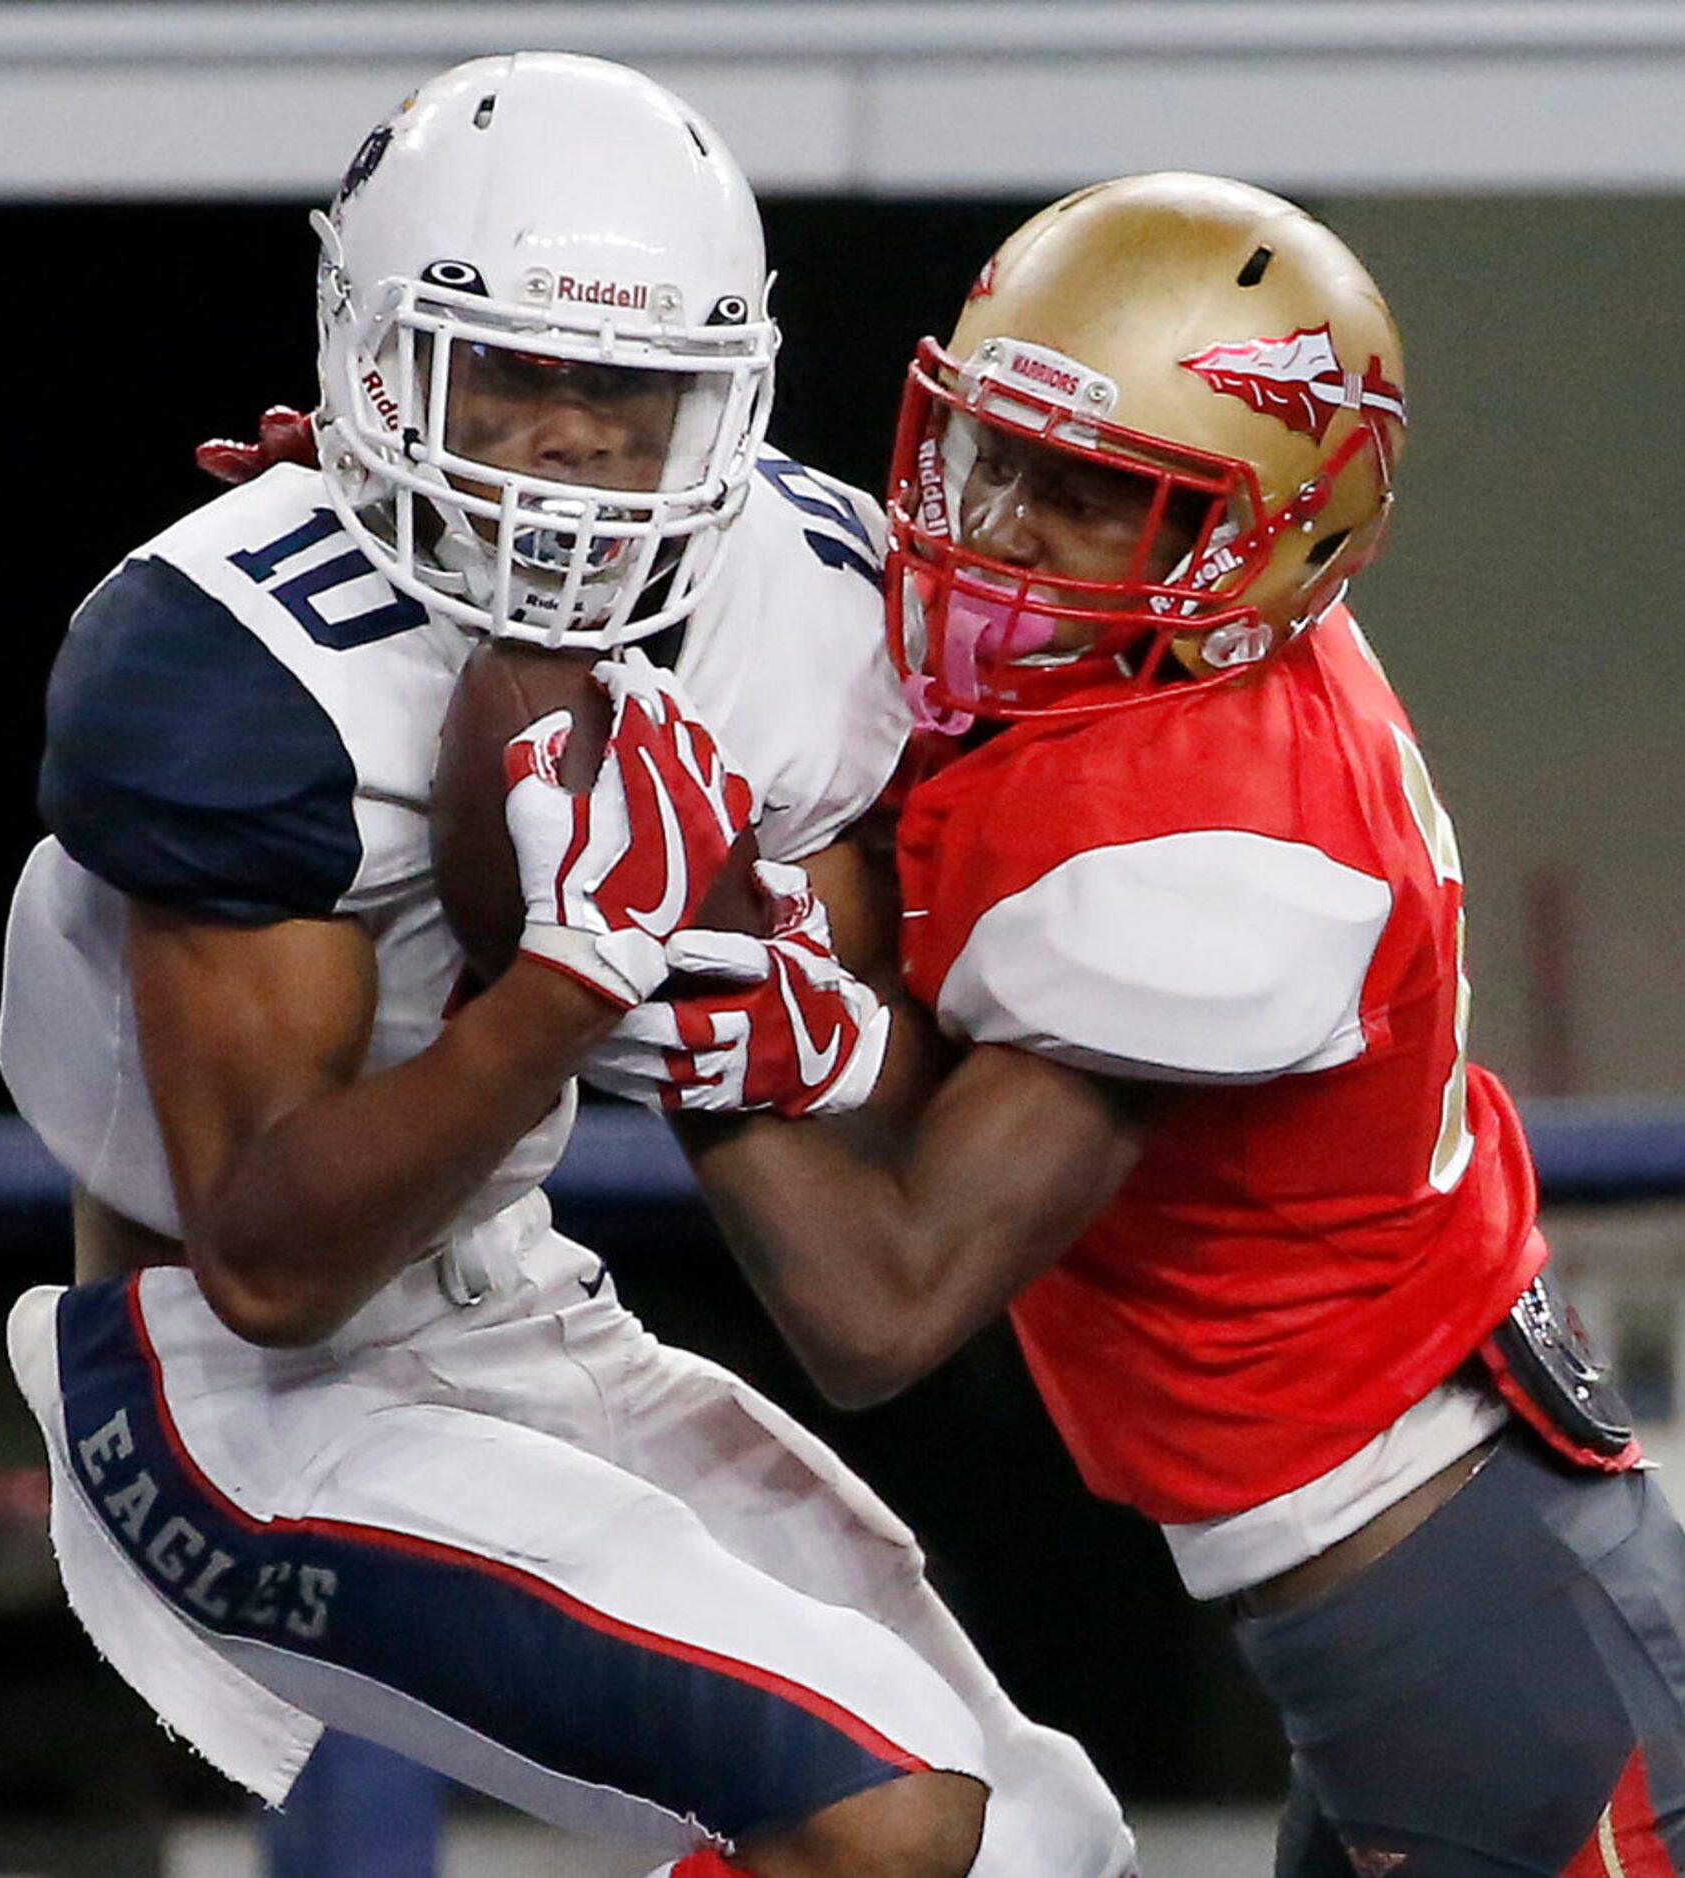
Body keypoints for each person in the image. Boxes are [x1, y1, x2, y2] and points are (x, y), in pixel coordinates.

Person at [0, 54, 1137, 1878]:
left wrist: (796, 969)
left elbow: (861, 891)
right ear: (370, 357)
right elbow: (272, 1259)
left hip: (513, 1298)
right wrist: (570, 982)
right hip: (229, 1388)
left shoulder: (805, 579)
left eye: (635, 389)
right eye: (514, 370)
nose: (577, 443)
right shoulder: (229, 665)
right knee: (887, 1817)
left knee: (1045, 1845)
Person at [578, 173, 1685, 1874]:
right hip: (1430, 1612)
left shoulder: (1224, 851)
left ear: (1257, 548)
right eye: (991, 450)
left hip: (1493, 1657)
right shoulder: (1162, 663)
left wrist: (666, 952)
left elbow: (883, 1301)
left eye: (1088, 493)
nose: (1000, 526)